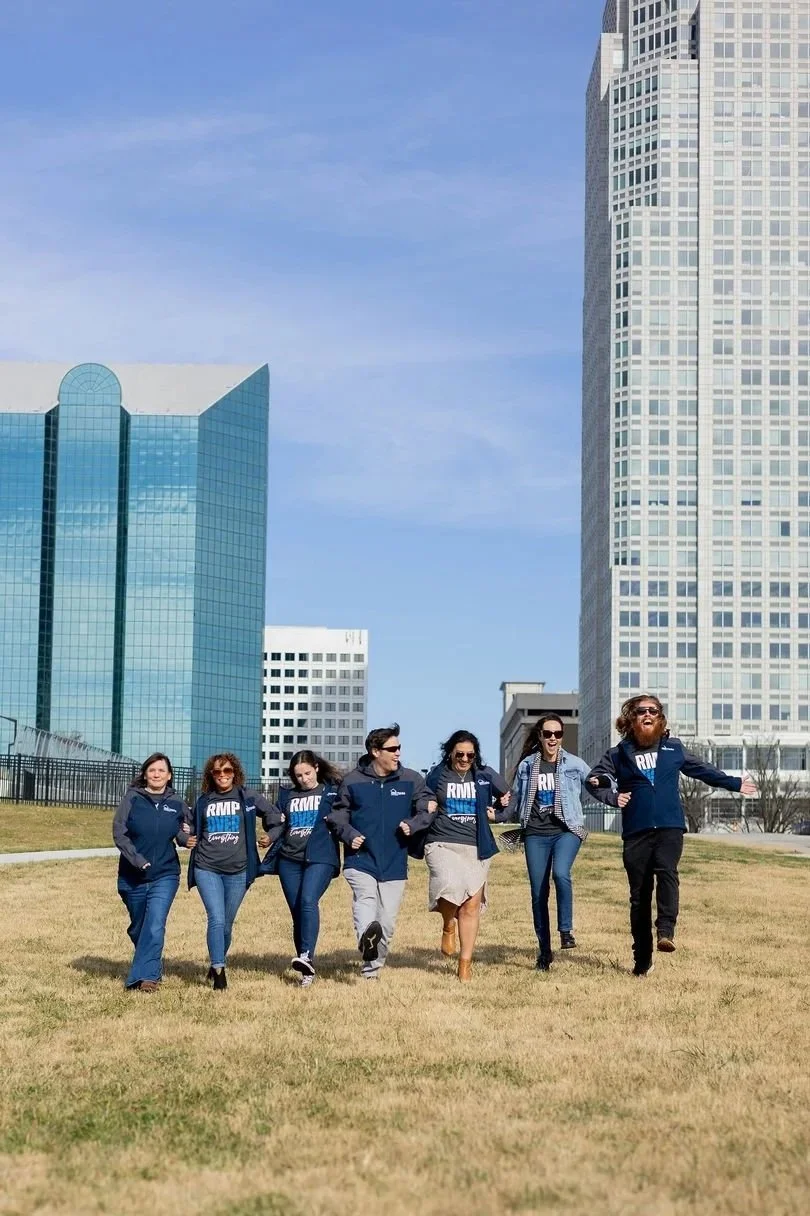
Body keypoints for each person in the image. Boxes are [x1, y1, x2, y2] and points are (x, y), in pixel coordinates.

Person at [588, 694, 757, 977]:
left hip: (669, 827)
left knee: (667, 871)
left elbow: (703, 771)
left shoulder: (673, 748)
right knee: (639, 897)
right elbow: (594, 779)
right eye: (641, 711)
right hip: (636, 831)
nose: (647, 715)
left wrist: (735, 783)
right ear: (632, 718)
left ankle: (666, 930)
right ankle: (642, 959)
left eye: (653, 711)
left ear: (660, 718)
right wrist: (611, 796)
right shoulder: (618, 754)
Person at [326, 723, 434, 980]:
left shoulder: (411, 779)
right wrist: (350, 835)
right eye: (392, 748)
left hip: (395, 861)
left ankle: (371, 970)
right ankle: (366, 939)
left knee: (386, 921)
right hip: (360, 859)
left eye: (399, 748)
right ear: (376, 751)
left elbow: (428, 808)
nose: (398, 753)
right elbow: (337, 816)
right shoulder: (353, 781)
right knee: (365, 900)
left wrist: (413, 824)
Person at [406, 730, 510, 981]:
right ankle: (447, 923)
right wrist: (425, 806)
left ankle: (465, 964)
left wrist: (498, 814)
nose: (464, 759)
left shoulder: (484, 774)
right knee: (449, 887)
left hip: (476, 845)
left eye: (470, 755)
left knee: (471, 905)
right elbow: (420, 798)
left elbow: (509, 797)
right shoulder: (437, 774)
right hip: (441, 841)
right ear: (450, 752)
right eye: (460, 754)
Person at [506, 716, 601, 971]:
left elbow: (597, 782)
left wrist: (611, 791)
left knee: (561, 873)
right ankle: (544, 952)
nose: (552, 739)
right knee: (538, 893)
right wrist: (497, 811)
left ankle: (566, 931)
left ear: (561, 737)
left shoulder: (574, 763)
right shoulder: (527, 766)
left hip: (566, 830)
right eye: (548, 733)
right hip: (536, 833)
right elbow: (514, 799)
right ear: (540, 735)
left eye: (557, 734)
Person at [188, 752, 280, 990]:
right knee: (216, 919)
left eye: (227, 771)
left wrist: (270, 836)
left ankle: (215, 960)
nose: (222, 776)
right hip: (207, 867)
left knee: (227, 924)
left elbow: (276, 816)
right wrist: (183, 837)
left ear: (235, 773)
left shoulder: (247, 797)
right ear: (211, 775)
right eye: (217, 772)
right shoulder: (204, 801)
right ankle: (219, 970)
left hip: (239, 871)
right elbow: (186, 825)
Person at [259, 750, 342, 988]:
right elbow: (280, 825)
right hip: (289, 859)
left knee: (308, 901)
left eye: (307, 773)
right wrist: (269, 837)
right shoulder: (287, 795)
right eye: (298, 775)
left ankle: (306, 955)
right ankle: (306, 968)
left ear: (316, 768)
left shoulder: (331, 791)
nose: (304, 779)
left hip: (321, 857)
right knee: (297, 912)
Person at [112, 752, 194, 992]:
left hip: (165, 874)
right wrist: (137, 860)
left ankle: (145, 978)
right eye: (152, 770)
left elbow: (182, 831)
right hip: (132, 875)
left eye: (161, 770)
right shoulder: (133, 799)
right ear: (145, 774)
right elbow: (119, 832)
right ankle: (151, 963)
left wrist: (185, 839)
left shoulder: (177, 803)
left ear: (169, 776)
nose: (156, 774)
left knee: (155, 923)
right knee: (140, 927)